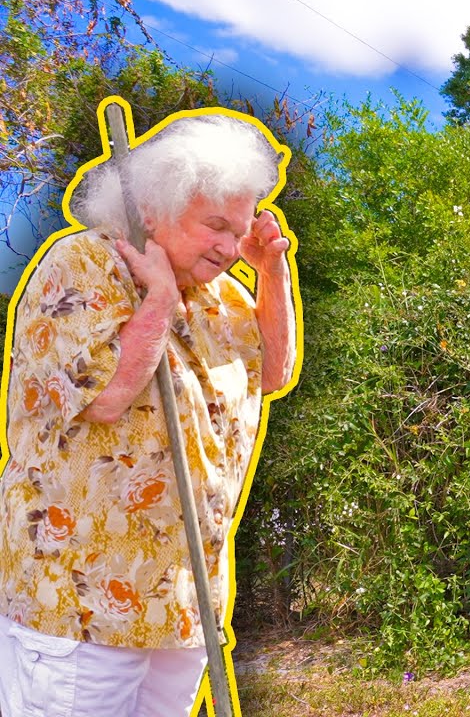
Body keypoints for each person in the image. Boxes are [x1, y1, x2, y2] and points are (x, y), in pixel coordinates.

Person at [0, 109, 298, 715]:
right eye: (215, 224)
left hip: (181, 605)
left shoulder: (221, 297)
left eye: (237, 231)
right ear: (154, 210)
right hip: (80, 610)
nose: (227, 246)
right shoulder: (83, 266)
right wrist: (158, 297)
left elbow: (272, 372)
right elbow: (107, 395)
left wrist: (271, 271)